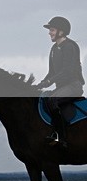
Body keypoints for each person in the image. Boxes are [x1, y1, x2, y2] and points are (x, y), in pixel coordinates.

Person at [36, 16, 85, 147]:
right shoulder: (54, 49)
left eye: (52, 30)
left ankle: (61, 137)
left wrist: (49, 82)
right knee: (44, 98)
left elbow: (67, 72)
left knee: (53, 100)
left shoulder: (69, 47)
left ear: (61, 32)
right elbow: (52, 72)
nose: (49, 33)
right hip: (61, 87)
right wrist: (43, 82)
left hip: (73, 86)